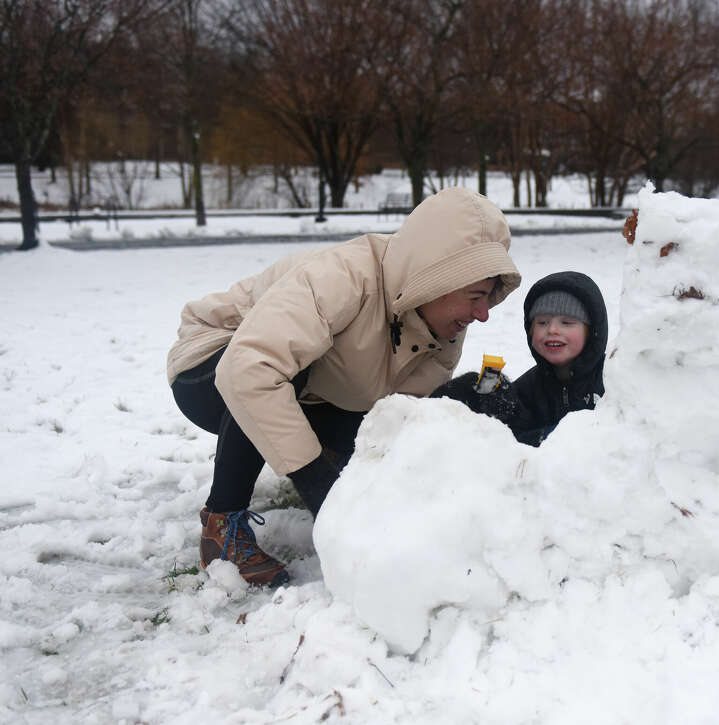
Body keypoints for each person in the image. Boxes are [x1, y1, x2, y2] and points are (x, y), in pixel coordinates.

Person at [167, 187, 521, 587]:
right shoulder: (345, 277)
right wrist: (317, 483)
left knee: (349, 413)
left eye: (488, 297)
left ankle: (331, 462)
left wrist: (455, 409)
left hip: (314, 387)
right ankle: (222, 523)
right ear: (438, 280)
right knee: (275, 370)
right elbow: (248, 370)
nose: (483, 314)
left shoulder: (444, 330)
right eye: (476, 296)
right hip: (211, 362)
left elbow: (397, 416)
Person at [431, 270, 607, 447]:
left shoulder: (613, 379)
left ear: (591, 332)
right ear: (530, 331)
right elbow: (513, 442)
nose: (552, 330)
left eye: (567, 323)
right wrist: (489, 401)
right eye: (542, 322)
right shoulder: (528, 388)